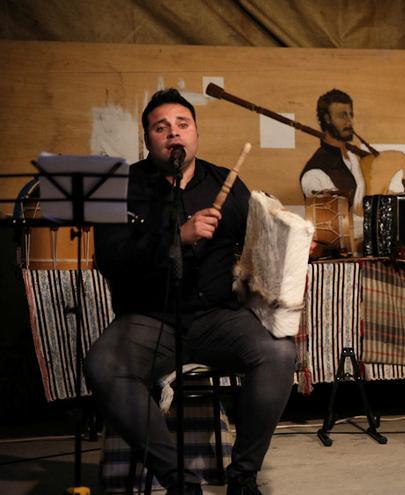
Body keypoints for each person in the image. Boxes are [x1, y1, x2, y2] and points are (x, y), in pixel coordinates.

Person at [85, 89, 297, 495]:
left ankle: (243, 476)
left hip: (218, 316)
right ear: (147, 138)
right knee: (103, 365)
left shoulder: (225, 183)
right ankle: (180, 481)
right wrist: (175, 238)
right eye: (160, 127)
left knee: (278, 351)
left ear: (196, 133)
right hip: (150, 317)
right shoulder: (122, 186)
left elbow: (258, 249)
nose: (173, 134)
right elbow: (111, 260)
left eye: (183, 125)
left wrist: (284, 260)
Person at [299, 89, 366, 253]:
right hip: (340, 260)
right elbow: (332, 230)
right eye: (342, 115)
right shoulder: (314, 173)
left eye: (351, 114)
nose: (349, 121)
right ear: (327, 119)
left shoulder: (354, 159)